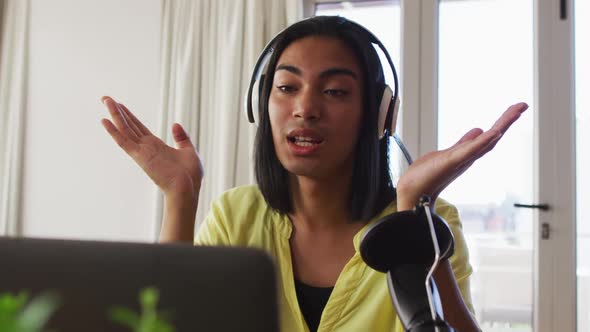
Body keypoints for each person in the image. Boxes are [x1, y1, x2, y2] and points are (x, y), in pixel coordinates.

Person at [100, 16, 527, 332]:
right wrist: (180, 196)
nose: (305, 108)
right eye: (287, 88)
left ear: (379, 115)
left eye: (334, 91)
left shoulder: (434, 221)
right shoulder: (236, 215)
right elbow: (169, 325)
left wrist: (412, 216)